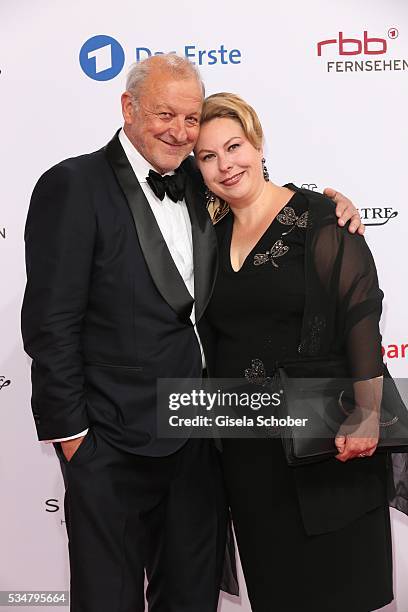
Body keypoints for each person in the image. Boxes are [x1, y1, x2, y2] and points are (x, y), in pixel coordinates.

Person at [21, 55, 363, 612]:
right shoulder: (72, 184)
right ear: (128, 108)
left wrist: (327, 207)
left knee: (192, 596)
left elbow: (259, 199)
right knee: (108, 598)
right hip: (110, 440)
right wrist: (73, 439)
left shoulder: (197, 179)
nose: (180, 132)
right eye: (164, 115)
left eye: (190, 119)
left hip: (200, 437)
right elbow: (50, 323)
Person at [194, 92, 399, 612]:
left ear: (258, 143)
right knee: (278, 594)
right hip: (248, 458)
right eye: (208, 156)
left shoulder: (322, 218)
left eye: (233, 146)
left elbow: (360, 316)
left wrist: (369, 413)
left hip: (327, 445)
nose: (225, 164)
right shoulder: (207, 237)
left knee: (341, 593)